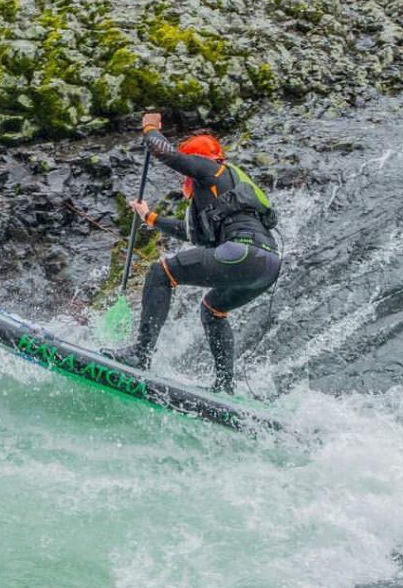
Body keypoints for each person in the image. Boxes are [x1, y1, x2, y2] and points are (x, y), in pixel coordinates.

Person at [103, 112, 282, 394]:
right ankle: (224, 387)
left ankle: (140, 354)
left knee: (160, 273)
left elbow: (165, 152)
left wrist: (149, 128)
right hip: (268, 266)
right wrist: (149, 217)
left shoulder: (209, 168)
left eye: (184, 175)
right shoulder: (225, 187)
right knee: (213, 310)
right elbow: (192, 234)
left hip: (243, 253)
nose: (183, 180)